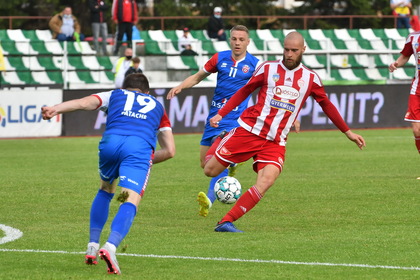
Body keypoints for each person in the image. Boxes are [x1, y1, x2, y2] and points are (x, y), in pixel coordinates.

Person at [203, 31, 366, 233]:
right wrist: (222, 113)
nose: (289, 54)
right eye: (286, 49)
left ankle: (225, 222)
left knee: (266, 181)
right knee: (210, 170)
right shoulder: (267, 68)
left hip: (275, 141)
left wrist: (347, 132)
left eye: (294, 51)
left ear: (303, 50)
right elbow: (245, 90)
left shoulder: (310, 78)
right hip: (250, 131)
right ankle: (222, 137)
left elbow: (326, 105)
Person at [41, 73, 175, 274]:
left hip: (110, 143)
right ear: (147, 92)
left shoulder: (115, 94)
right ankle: (110, 246)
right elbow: (170, 151)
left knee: (105, 189)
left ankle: (92, 245)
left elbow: (84, 103)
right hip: (138, 147)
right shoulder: (158, 106)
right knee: (131, 198)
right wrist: (143, 160)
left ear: (125, 87)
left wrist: (55, 109)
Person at [167, 25, 260, 218]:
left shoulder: (255, 65)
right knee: (204, 163)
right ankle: (232, 164)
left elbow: (267, 89)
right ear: (230, 39)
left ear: (248, 42)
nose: (237, 42)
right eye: (234, 38)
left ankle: (209, 200)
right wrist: (180, 87)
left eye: (241, 39)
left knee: (215, 159)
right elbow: (198, 77)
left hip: (234, 120)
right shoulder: (219, 58)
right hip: (214, 117)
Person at [389, 31, 420, 179]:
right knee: (416, 130)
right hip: (417, 89)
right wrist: (396, 63)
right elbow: (405, 56)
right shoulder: (413, 37)